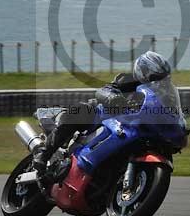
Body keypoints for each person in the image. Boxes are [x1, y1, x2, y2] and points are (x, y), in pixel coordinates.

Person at [31, 50, 172, 174]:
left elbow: (171, 112)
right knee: (80, 110)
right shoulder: (127, 80)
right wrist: (112, 98)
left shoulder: (164, 94)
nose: (158, 82)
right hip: (103, 115)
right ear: (143, 72)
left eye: (162, 78)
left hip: (132, 128)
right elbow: (104, 90)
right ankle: (44, 154)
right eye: (155, 78)